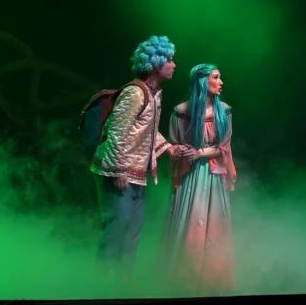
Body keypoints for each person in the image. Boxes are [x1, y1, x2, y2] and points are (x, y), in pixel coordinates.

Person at [90, 35, 196, 281]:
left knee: (132, 232)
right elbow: (117, 132)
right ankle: (101, 287)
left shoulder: (153, 93)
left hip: (136, 173)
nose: (174, 65)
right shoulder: (135, 93)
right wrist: (119, 170)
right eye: (169, 60)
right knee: (116, 229)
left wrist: (169, 149)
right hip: (118, 172)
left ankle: (123, 284)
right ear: (156, 63)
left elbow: (146, 130)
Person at [161, 64, 236, 294]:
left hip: (213, 175)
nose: (221, 82)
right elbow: (175, 144)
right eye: (216, 77)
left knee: (213, 223)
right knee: (191, 221)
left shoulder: (224, 111)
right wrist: (181, 151)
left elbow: (224, 147)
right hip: (191, 176)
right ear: (203, 82)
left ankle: (212, 279)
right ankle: (185, 280)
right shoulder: (181, 112)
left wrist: (199, 153)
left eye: (220, 77)